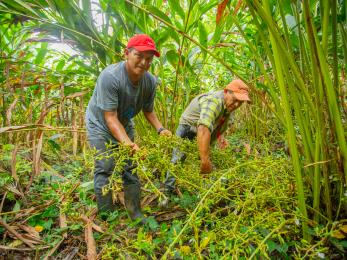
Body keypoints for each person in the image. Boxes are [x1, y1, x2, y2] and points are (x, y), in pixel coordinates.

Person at [85, 34, 171, 223]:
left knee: (130, 167)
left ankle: (135, 212)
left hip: (123, 122)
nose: (143, 62)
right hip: (100, 124)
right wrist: (129, 144)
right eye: (139, 55)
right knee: (105, 167)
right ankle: (107, 216)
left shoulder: (150, 82)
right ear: (127, 53)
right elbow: (110, 117)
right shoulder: (110, 77)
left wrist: (160, 129)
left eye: (149, 59)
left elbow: (148, 111)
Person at [161, 79, 250, 206]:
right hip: (188, 127)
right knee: (178, 159)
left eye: (240, 102)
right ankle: (166, 193)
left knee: (206, 158)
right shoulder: (213, 101)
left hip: (205, 131)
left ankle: (201, 191)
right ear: (226, 92)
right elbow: (203, 129)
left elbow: (220, 121)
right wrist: (205, 160)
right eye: (235, 99)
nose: (236, 104)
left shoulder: (228, 106)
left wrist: (220, 137)